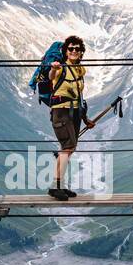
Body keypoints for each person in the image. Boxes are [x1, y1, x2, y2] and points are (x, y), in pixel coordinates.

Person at [48, 35, 94, 200]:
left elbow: (79, 96)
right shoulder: (61, 67)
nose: (74, 51)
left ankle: (60, 185)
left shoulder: (79, 70)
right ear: (66, 51)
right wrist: (53, 67)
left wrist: (85, 119)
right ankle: (56, 186)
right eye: (71, 48)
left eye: (77, 49)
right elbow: (51, 77)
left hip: (74, 113)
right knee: (67, 148)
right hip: (61, 112)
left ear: (81, 52)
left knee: (68, 149)